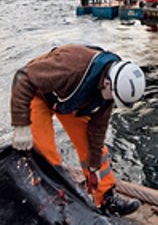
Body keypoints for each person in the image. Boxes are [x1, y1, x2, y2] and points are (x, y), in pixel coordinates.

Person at [9, 43, 146, 216]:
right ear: (106, 82)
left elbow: (97, 132)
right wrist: (21, 126)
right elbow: (23, 78)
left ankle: (105, 197)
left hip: (69, 101)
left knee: (93, 149)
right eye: (114, 98)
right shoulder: (71, 67)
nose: (112, 103)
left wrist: (94, 167)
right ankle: (54, 199)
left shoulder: (109, 92)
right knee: (44, 153)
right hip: (38, 94)